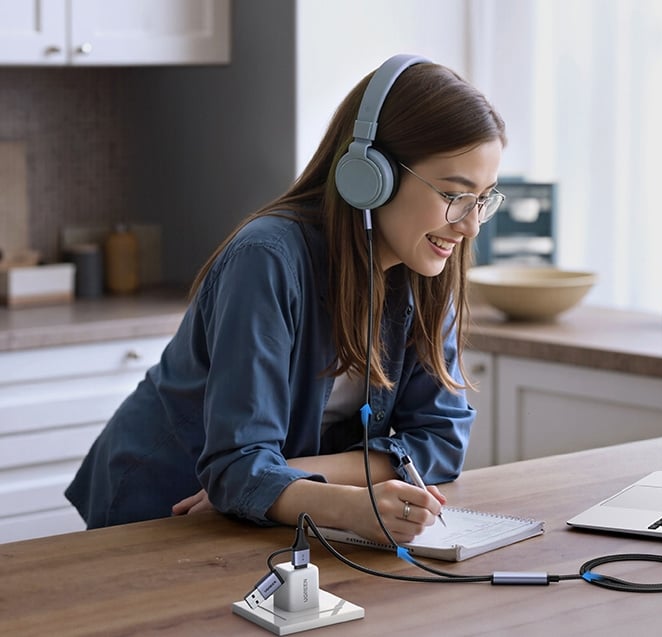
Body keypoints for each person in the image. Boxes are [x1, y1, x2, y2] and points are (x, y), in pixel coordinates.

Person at [65, 54, 507, 544]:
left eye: (484, 199)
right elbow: (238, 466)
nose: (469, 226)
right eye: (454, 195)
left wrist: (277, 479)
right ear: (370, 175)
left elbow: (442, 442)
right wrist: (322, 498)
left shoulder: (428, 264)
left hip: (266, 512)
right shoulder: (267, 259)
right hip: (166, 511)